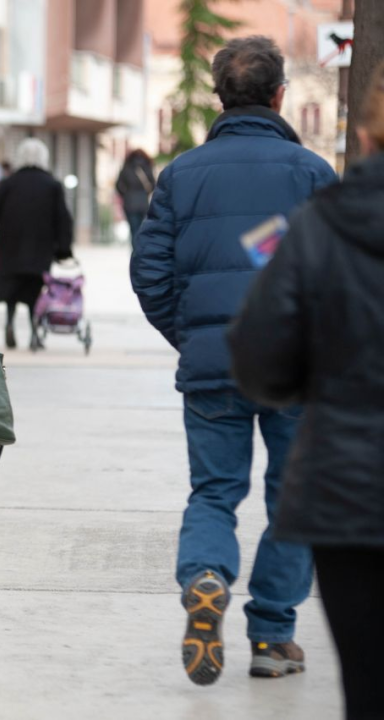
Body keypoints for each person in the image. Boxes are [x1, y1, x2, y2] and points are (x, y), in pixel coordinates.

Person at [130, 35, 337, 686]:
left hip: (213, 364)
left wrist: (192, 334)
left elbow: (149, 274)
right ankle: (273, 637)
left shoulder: (180, 174)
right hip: (293, 367)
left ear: (219, 97)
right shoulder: (311, 175)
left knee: (214, 491)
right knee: (293, 499)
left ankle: (206, 577)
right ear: (280, 95)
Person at [228, 61, 384, 720]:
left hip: (349, 497)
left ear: (369, 131)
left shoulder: (320, 223)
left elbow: (258, 352)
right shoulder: (311, 187)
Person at [0, 138, 73, 350]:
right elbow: (63, 219)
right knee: (35, 291)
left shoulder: (8, 184)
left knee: (12, 291)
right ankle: (35, 330)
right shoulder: (52, 185)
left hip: (10, 248)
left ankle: (9, 322)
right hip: (40, 249)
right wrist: (63, 250)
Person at [115, 148, 155, 252]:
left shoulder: (126, 167)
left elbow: (118, 185)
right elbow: (153, 185)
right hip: (143, 203)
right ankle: (142, 251)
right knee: (143, 229)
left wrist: (126, 194)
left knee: (134, 230)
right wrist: (144, 193)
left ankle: (135, 252)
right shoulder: (147, 167)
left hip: (130, 203)